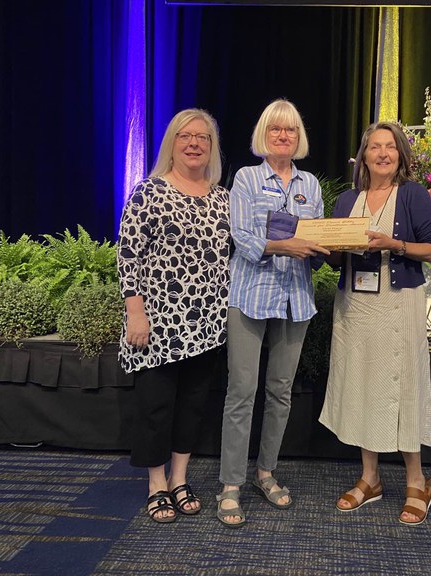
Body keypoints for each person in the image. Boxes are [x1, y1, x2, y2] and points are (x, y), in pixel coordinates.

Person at [319, 121, 431, 526]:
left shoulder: (412, 195)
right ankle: (370, 479)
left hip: (398, 304)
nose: (383, 153)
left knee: (403, 386)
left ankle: (417, 481)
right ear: (364, 155)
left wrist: (396, 245)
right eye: (375, 147)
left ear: (400, 154)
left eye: (391, 147)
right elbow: (336, 258)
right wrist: (328, 248)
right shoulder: (346, 200)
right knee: (362, 387)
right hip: (355, 306)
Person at [217, 99, 330, 528]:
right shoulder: (246, 178)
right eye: (275, 130)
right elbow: (243, 238)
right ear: (263, 135)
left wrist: (325, 248)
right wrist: (289, 245)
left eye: (291, 131)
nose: (283, 136)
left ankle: (265, 472)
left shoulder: (310, 185)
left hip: (295, 299)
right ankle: (231, 483)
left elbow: (316, 237)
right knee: (242, 391)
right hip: (249, 295)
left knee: (281, 392)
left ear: (298, 138)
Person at [117, 108, 230, 523]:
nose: (194, 143)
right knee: (155, 407)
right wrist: (135, 312)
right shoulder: (149, 192)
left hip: (208, 323)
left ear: (211, 147)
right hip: (158, 323)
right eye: (186, 136)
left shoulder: (222, 198)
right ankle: (156, 485)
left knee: (192, 407)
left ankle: (180, 479)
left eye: (203, 137)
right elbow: (128, 256)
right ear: (173, 143)